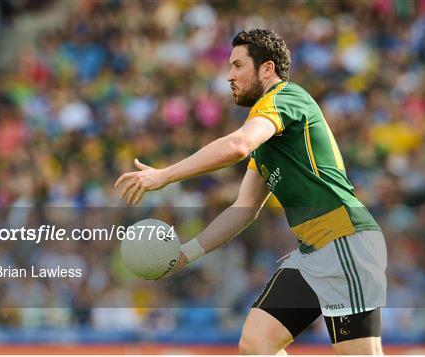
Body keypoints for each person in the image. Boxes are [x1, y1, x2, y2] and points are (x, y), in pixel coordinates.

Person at [115, 29, 387, 355]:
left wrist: (165, 175)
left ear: (267, 69)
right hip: (314, 252)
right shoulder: (267, 138)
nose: (229, 75)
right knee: (255, 344)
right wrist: (185, 254)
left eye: (237, 66)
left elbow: (237, 145)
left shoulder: (286, 97)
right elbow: (242, 208)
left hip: (345, 241)